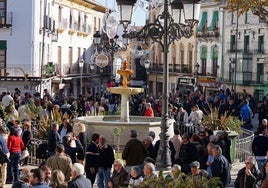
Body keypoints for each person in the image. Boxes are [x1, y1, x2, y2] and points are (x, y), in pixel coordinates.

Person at [0, 118, 9, 187]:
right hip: (6, 152)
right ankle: (3, 184)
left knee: (3, 169)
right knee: (4, 169)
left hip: (2, 153)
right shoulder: (3, 136)